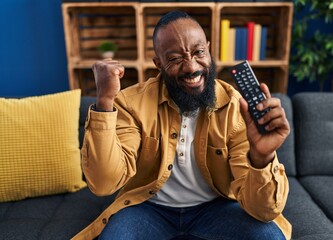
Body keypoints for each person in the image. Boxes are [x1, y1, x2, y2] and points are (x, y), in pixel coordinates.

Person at [73, 10, 291, 240]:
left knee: (270, 237)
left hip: (215, 207)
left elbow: (264, 211)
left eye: (198, 52)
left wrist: (262, 158)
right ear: (158, 64)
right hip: (148, 207)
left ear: (209, 50)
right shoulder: (131, 104)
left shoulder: (235, 107)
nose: (191, 67)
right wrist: (105, 102)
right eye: (176, 59)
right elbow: (103, 184)